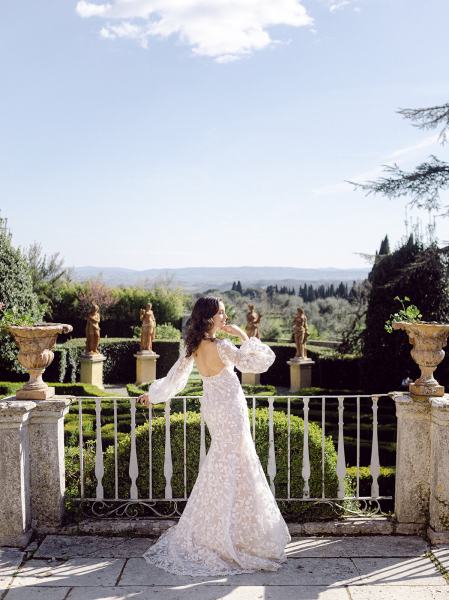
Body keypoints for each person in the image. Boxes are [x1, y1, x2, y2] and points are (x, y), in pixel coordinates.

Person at [138, 296, 291, 576]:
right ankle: (235, 536)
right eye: (221, 313)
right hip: (230, 409)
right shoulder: (221, 346)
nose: (225, 317)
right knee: (238, 461)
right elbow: (258, 363)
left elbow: (175, 379)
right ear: (209, 317)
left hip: (214, 407)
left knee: (224, 461)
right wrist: (244, 334)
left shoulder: (194, 346)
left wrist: (154, 395)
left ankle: (220, 531)